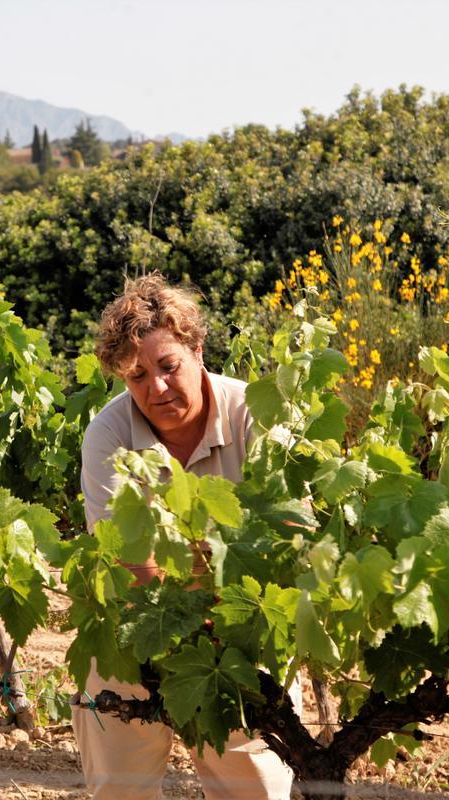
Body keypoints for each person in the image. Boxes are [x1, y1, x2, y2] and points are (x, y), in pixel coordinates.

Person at [72, 273, 299, 799]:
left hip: (245, 629)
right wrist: (182, 646)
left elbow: (289, 538)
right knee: (119, 790)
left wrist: (223, 640)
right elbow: (130, 563)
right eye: (136, 376)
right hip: (141, 625)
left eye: (168, 366)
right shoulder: (108, 435)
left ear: (198, 350)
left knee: (260, 790)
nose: (156, 388)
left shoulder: (255, 416)